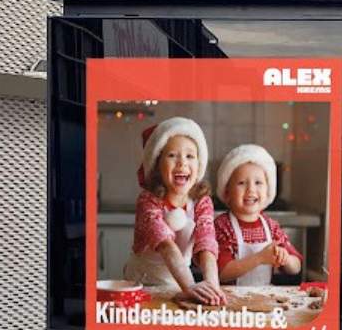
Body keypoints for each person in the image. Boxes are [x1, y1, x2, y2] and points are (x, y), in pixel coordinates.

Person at [124, 117, 225, 305]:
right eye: (172, 155)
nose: (182, 163)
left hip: (178, 284)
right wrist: (190, 286)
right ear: (157, 165)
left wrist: (212, 286)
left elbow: (206, 242)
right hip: (143, 284)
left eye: (190, 156)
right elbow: (165, 244)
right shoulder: (148, 201)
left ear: (199, 164)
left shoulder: (202, 202)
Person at [213, 144, 302, 286]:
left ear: (268, 191)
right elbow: (222, 273)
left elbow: (296, 267)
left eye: (258, 182)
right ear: (227, 193)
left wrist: (285, 259)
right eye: (241, 183)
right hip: (230, 298)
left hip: (264, 296)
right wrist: (259, 258)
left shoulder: (271, 227)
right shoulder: (222, 226)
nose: (251, 189)